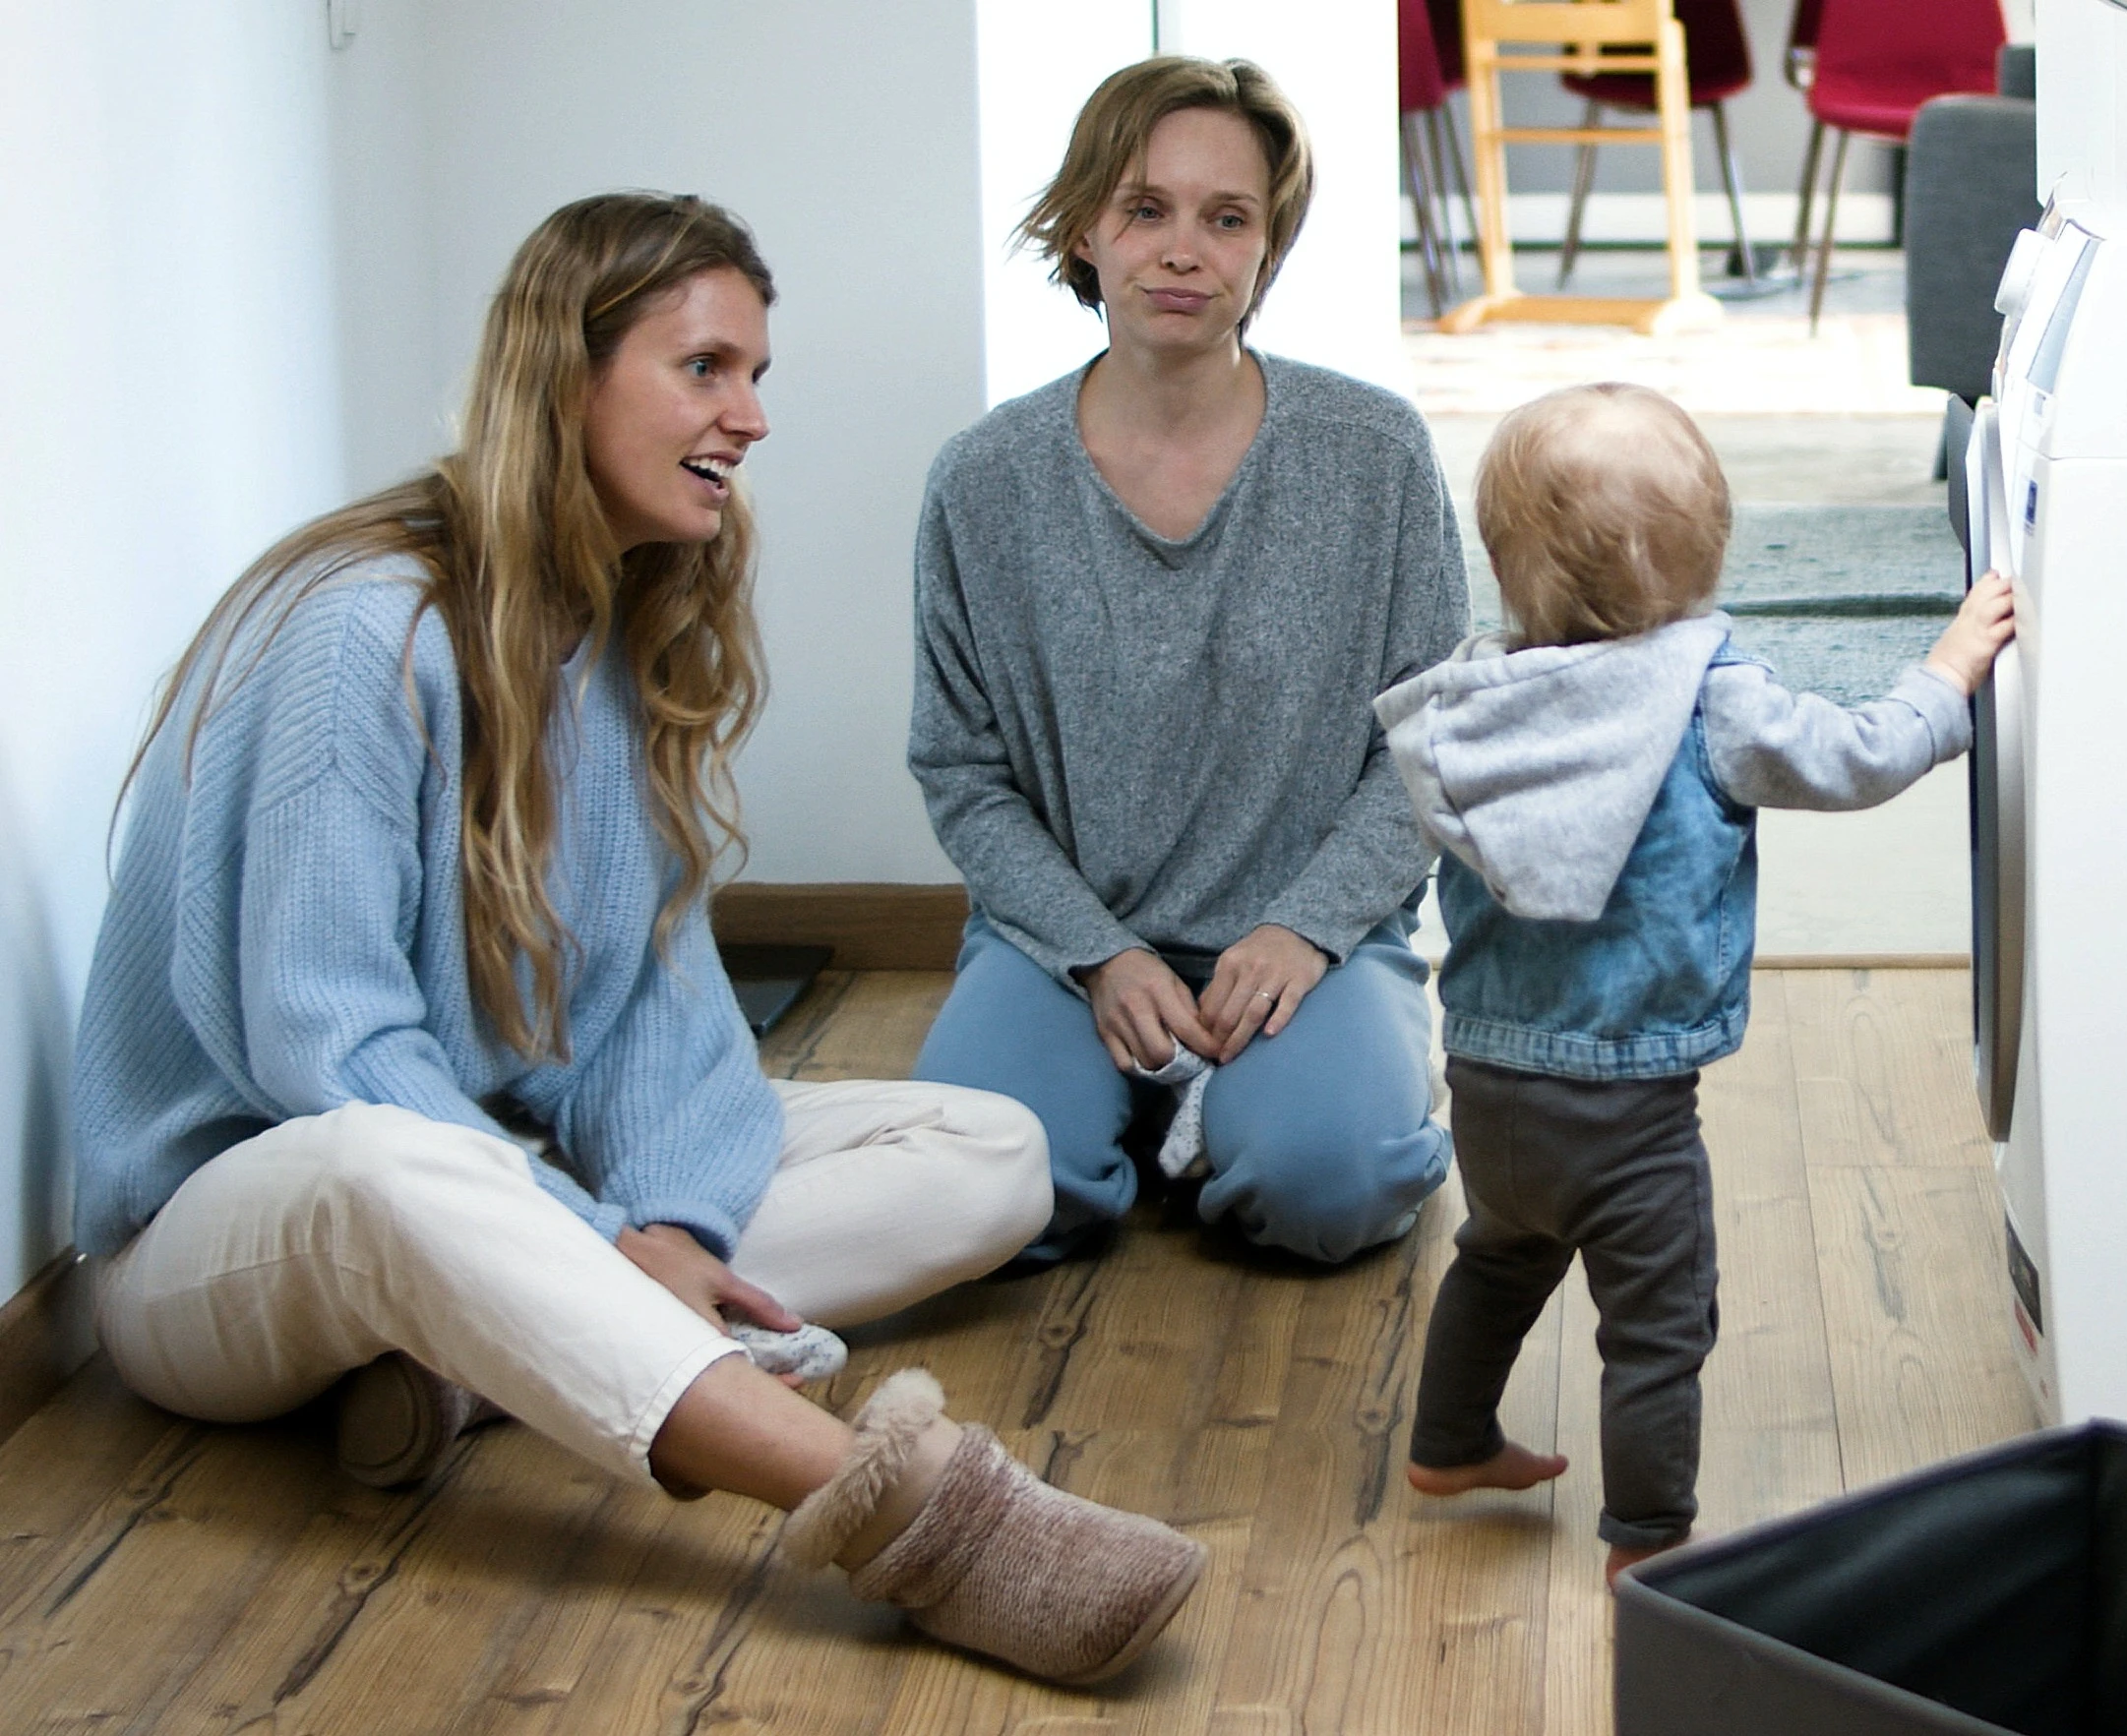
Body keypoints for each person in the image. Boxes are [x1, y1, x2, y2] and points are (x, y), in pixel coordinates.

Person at [70, 192, 1202, 1686]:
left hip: (502, 1173)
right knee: (386, 1160)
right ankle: (899, 1506)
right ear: (566, 377)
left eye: (756, 375)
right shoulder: (364, 630)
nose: (752, 417)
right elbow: (321, 1048)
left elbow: (658, 1011)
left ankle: (479, 1362)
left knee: (990, 1150)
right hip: (242, 1228)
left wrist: (669, 1218)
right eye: (705, 369)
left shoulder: (619, 625)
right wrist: (603, 1236)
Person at [1377, 384, 2017, 1584]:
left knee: (1498, 1253)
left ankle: (1447, 1441)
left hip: (1486, 1079)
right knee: (1659, 1325)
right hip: (1629, 1107)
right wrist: (1943, 676)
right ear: (1702, 556)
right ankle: (1649, 1539)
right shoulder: (1711, 693)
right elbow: (1853, 757)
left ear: (1505, 568)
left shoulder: (1474, 699)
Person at [908, 58, 1467, 1267]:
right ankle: (1151, 1117)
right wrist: (1097, 952)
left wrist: (1307, 928)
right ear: (1083, 228)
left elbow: (1428, 740)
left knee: (1327, 1186)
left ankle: (1265, 1113)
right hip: (1062, 948)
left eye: (1226, 219)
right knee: (971, 1200)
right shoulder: (982, 480)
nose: (1181, 251)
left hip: (1303, 949)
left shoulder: (1373, 453)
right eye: (1144, 209)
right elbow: (960, 769)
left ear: (1267, 248)